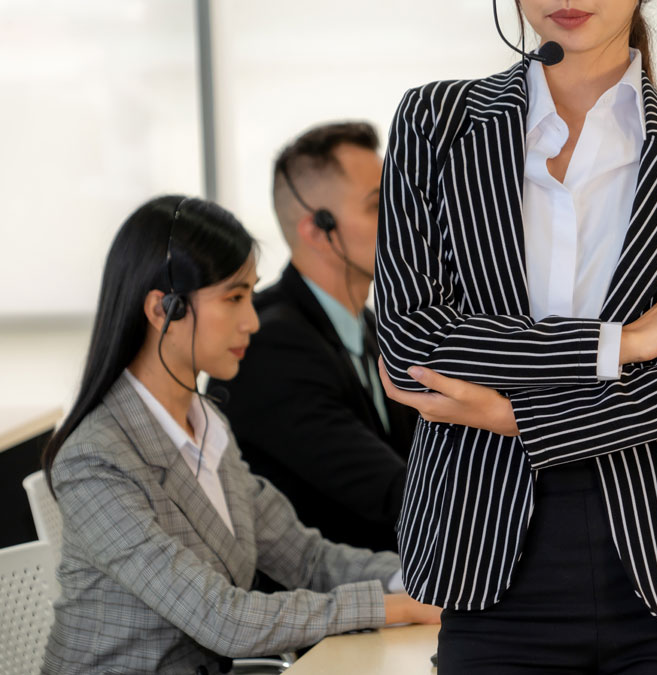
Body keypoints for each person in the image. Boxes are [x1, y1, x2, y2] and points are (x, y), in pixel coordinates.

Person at [375, 1, 657, 673]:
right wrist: (623, 343)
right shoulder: (435, 123)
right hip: (487, 554)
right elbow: (415, 342)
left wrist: (512, 414)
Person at [40, 196, 438, 675]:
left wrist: (421, 581)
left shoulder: (208, 426)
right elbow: (222, 618)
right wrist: (395, 606)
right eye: (234, 298)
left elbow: (306, 558)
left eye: (251, 295)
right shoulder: (95, 458)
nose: (252, 320)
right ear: (163, 308)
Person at [213, 123, 416, 553]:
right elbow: (401, 496)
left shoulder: (373, 330)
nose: (405, 218)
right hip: (323, 603)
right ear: (317, 230)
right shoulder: (269, 347)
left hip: (388, 588)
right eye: (380, 205)